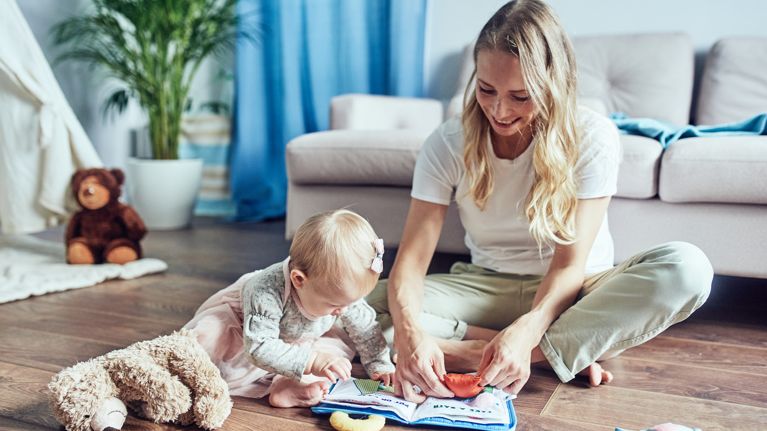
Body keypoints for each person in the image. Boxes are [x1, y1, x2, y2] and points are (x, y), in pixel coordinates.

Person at [366, 0, 712, 403]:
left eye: (521, 96)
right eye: (486, 89)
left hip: (576, 292)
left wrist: (529, 329)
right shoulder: (447, 143)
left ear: (553, 86)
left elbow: (569, 265)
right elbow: (411, 259)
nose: (499, 110)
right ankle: (545, 352)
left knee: (687, 269)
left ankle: (494, 351)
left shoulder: (592, 137)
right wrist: (409, 336)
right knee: (354, 303)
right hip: (487, 286)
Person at [185, 209, 395, 408]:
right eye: (335, 304)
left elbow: (365, 329)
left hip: (296, 340)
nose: (344, 310)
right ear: (298, 280)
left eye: (351, 302)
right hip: (244, 337)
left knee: (336, 352)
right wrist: (312, 360)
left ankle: (287, 386)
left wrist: (380, 364)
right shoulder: (265, 290)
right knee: (205, 345)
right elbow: (259, 348)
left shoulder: (339, 295)